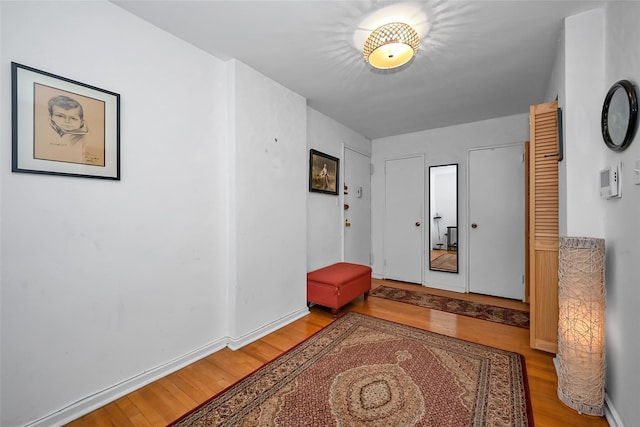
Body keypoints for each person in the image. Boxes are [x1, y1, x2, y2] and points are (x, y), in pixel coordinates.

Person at [35, 95, 92, 164]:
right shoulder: (42, 131)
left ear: (81, 122)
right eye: (60, 116)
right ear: (51, 117)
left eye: (73, 118)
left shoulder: (86, 139)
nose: (67, 121)